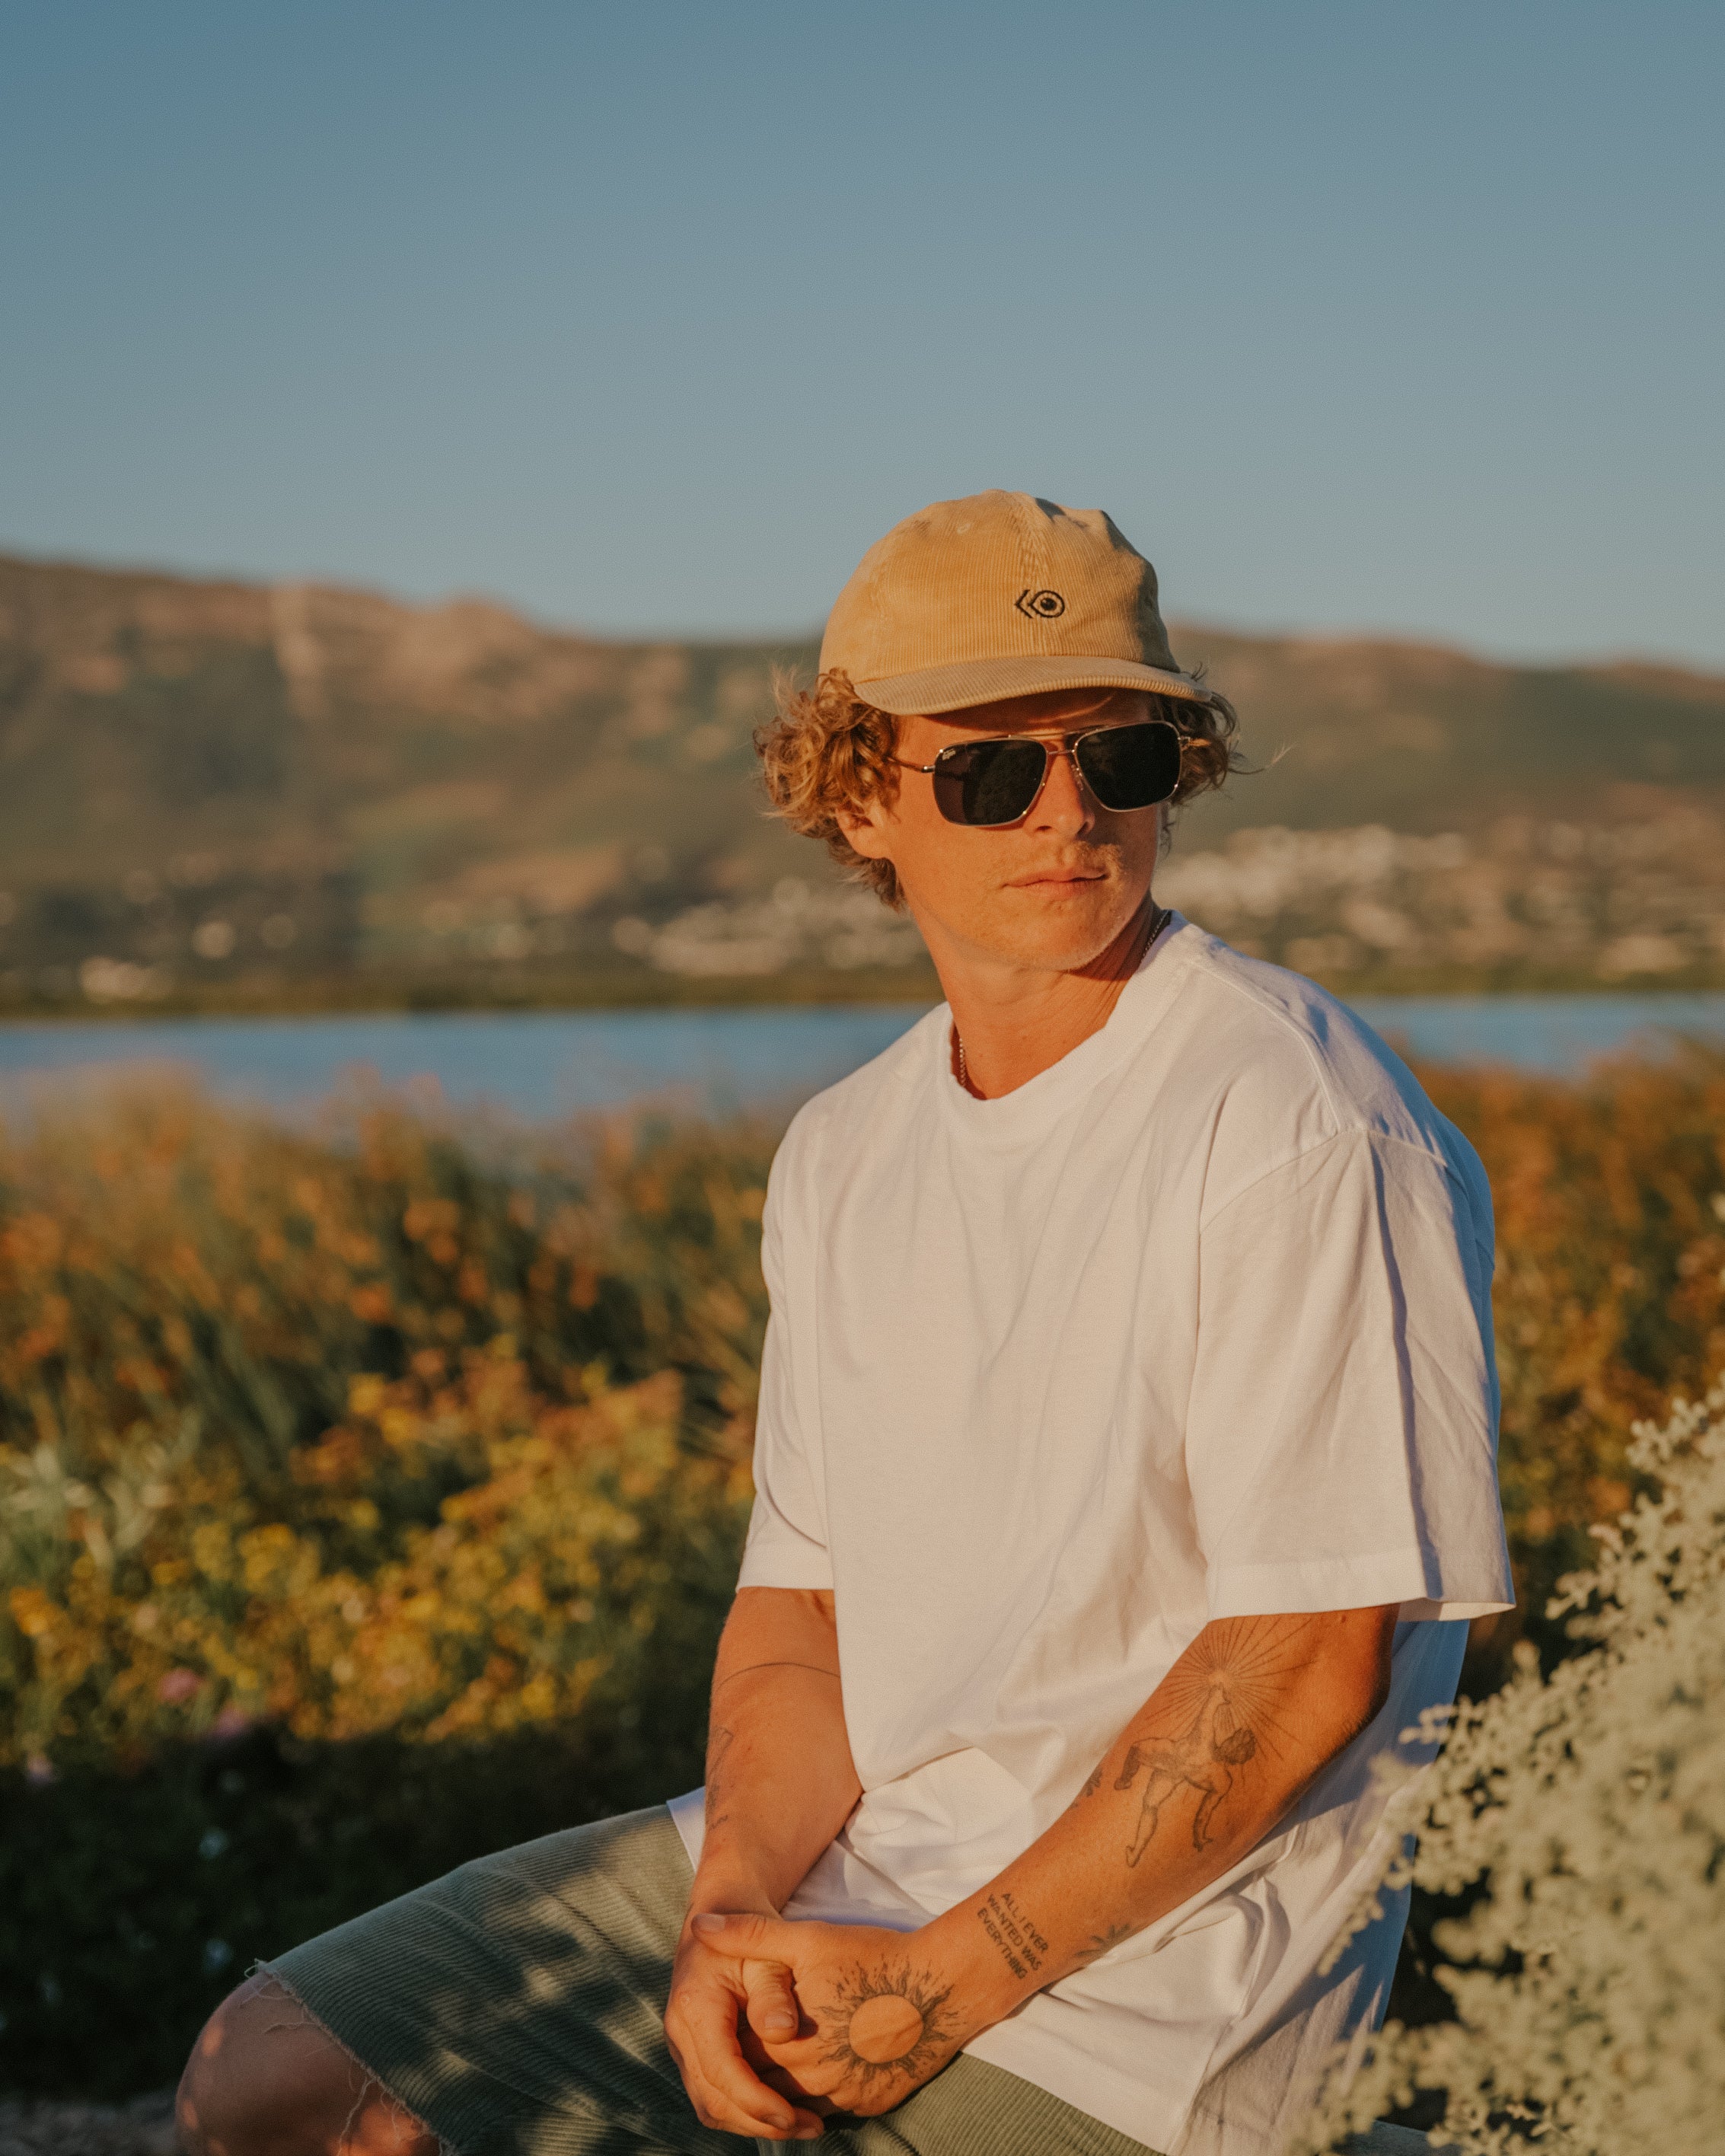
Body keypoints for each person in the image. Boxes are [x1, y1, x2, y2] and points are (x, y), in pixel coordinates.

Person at [178, 492, 1513, 2156]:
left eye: (1119, 759)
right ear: (856, 793)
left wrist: (932, 1996)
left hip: (1153, 2008)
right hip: (862, 1868)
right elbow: (800, 1616)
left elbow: (1307, 1659)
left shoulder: (1299, 1117)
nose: (1064, 817)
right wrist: (724, 1914)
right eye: (986, 769)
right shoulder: (843, 1149)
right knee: (279, 2082)